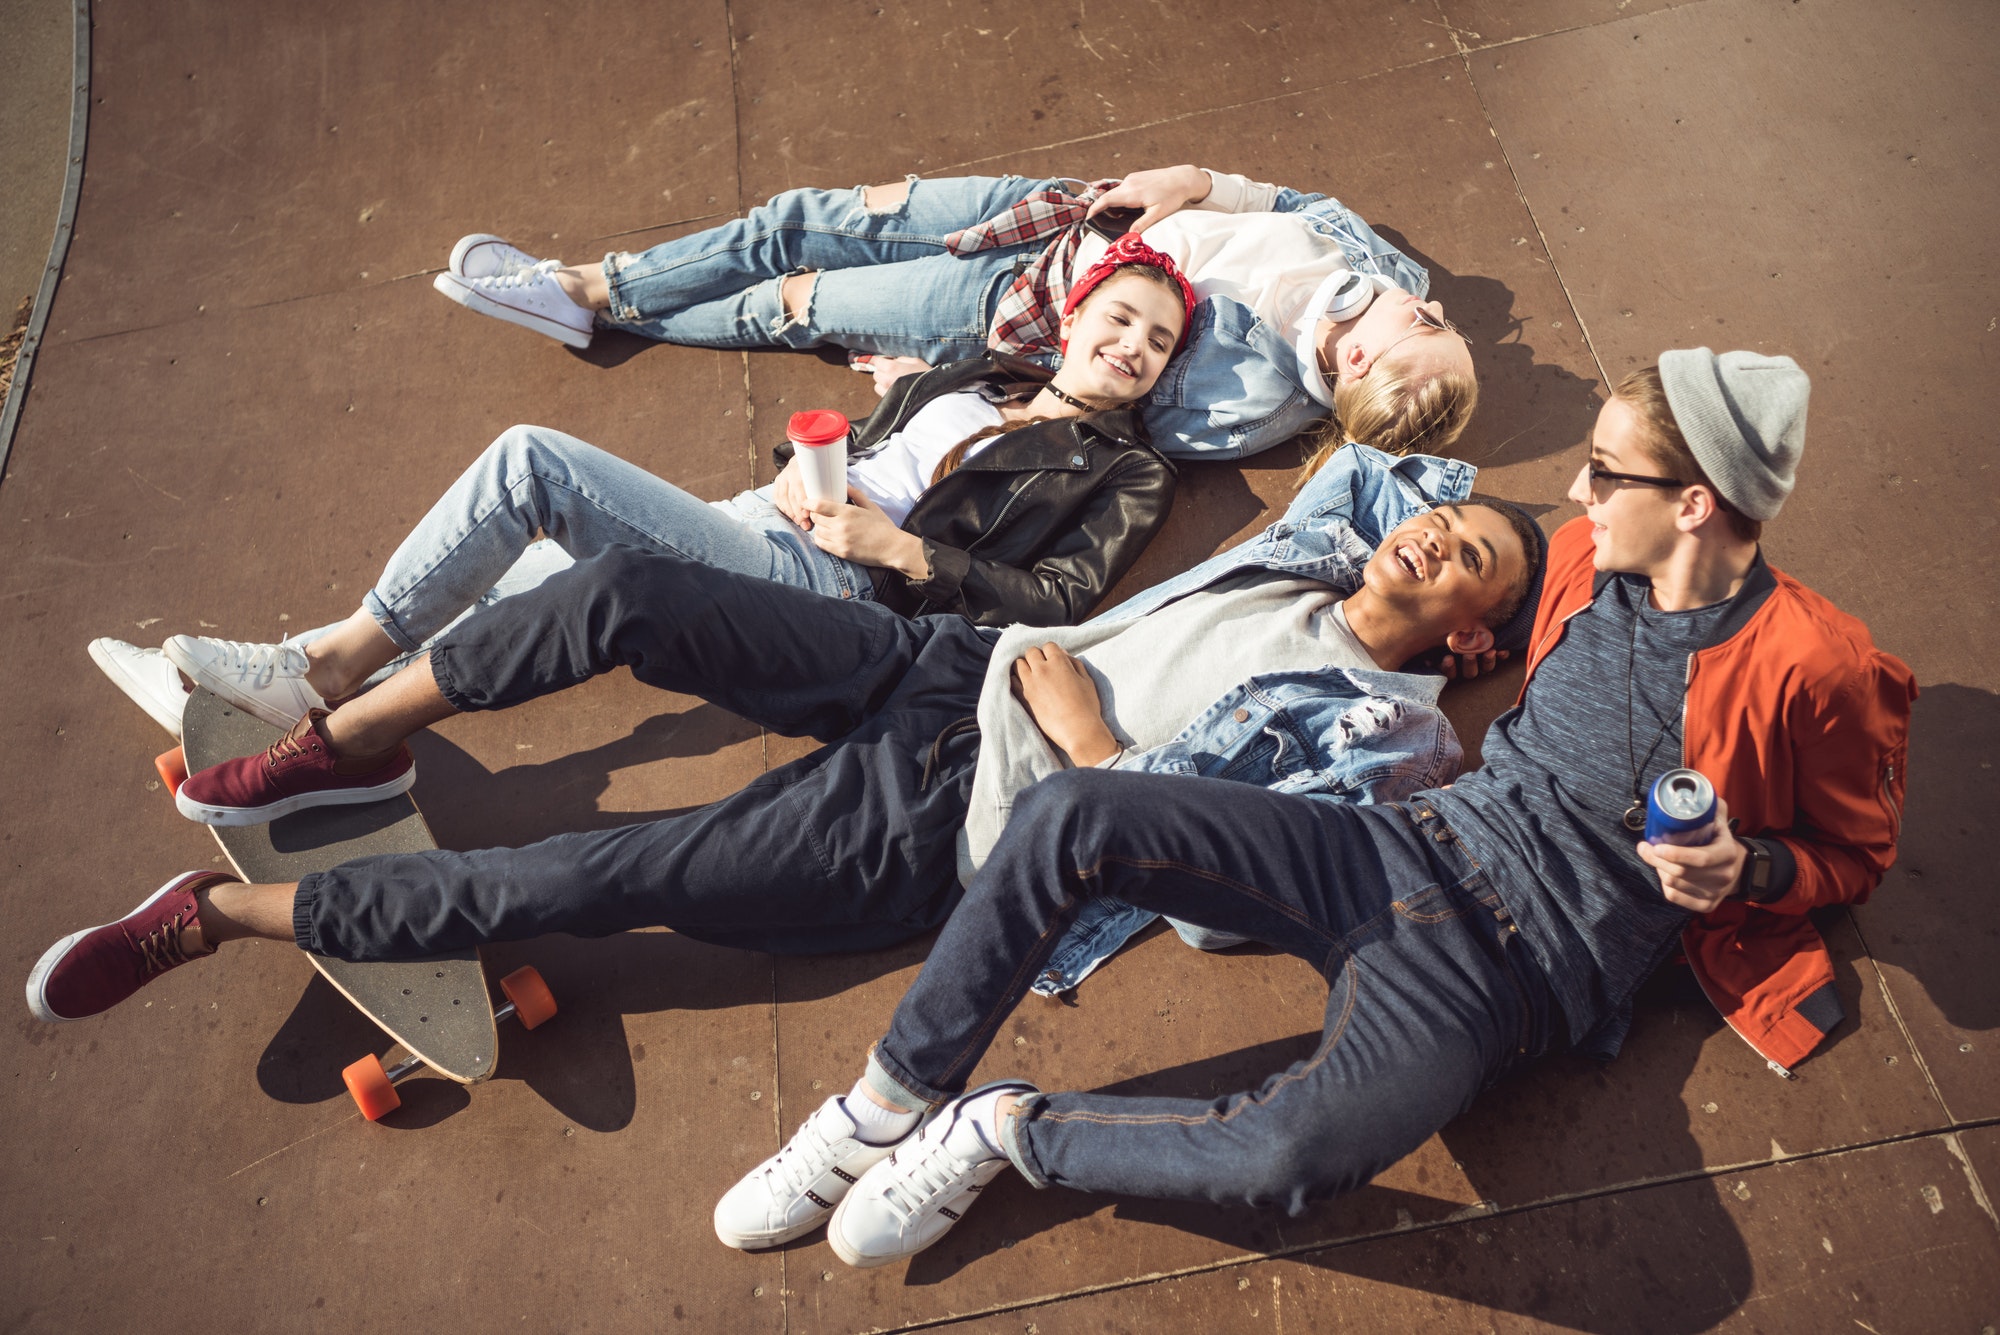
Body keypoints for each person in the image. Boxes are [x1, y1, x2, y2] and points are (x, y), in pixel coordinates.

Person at [711, 347, 1916, 1273]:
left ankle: (1002, 1133)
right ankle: (876, 1110)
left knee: (1294, 1158)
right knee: (1077, 813)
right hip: (1402, 845)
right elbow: (1403, 501)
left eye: (1602, 475)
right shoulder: (1581, 564)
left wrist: (1746, 875)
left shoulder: (1814, 666)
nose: (1573, 489)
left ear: (1696, 503)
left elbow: (1849, 856)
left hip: (1508, 983)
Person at [25, 440, 1542, 1154]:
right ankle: (339, 737)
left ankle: (213, 916)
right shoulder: (1313, 547)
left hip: (955, 827)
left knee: (605, 872)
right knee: (626, 586)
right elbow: (1394, 432)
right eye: (1436, 525)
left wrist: (1091, 754)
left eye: (1464, 558)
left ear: (1473, 638)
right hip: (944, 666)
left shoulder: (1392, 744)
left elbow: (1228, 910)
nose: (1422, 542)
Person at [84, 239, 1193, 741]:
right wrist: (828, 472)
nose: (1132, 346)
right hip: (777, 528)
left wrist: (892, 552)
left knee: (532, 465)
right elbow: (885, 458)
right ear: (1075, 318)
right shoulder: (976, 372)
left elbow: (1054, 601)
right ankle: (300, 694)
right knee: (504, 571)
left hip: (847, 600)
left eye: (1158, 341)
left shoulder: (1129, 469)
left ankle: (315, 676)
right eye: (1120, 318)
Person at [430, 165, 1477, 462]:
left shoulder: (1253, 406)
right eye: (1439, 320)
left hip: (1002, 303)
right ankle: (599, 288)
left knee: (789, 306)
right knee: (807, 215)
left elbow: (1112, 404)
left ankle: (591, 301)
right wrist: (1198, 180)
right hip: (1048, 208)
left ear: (1351, 373)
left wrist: (947, 384)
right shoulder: (1376, 273)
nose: (1423, 303)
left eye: (1417, 328)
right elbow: (1300, 205)